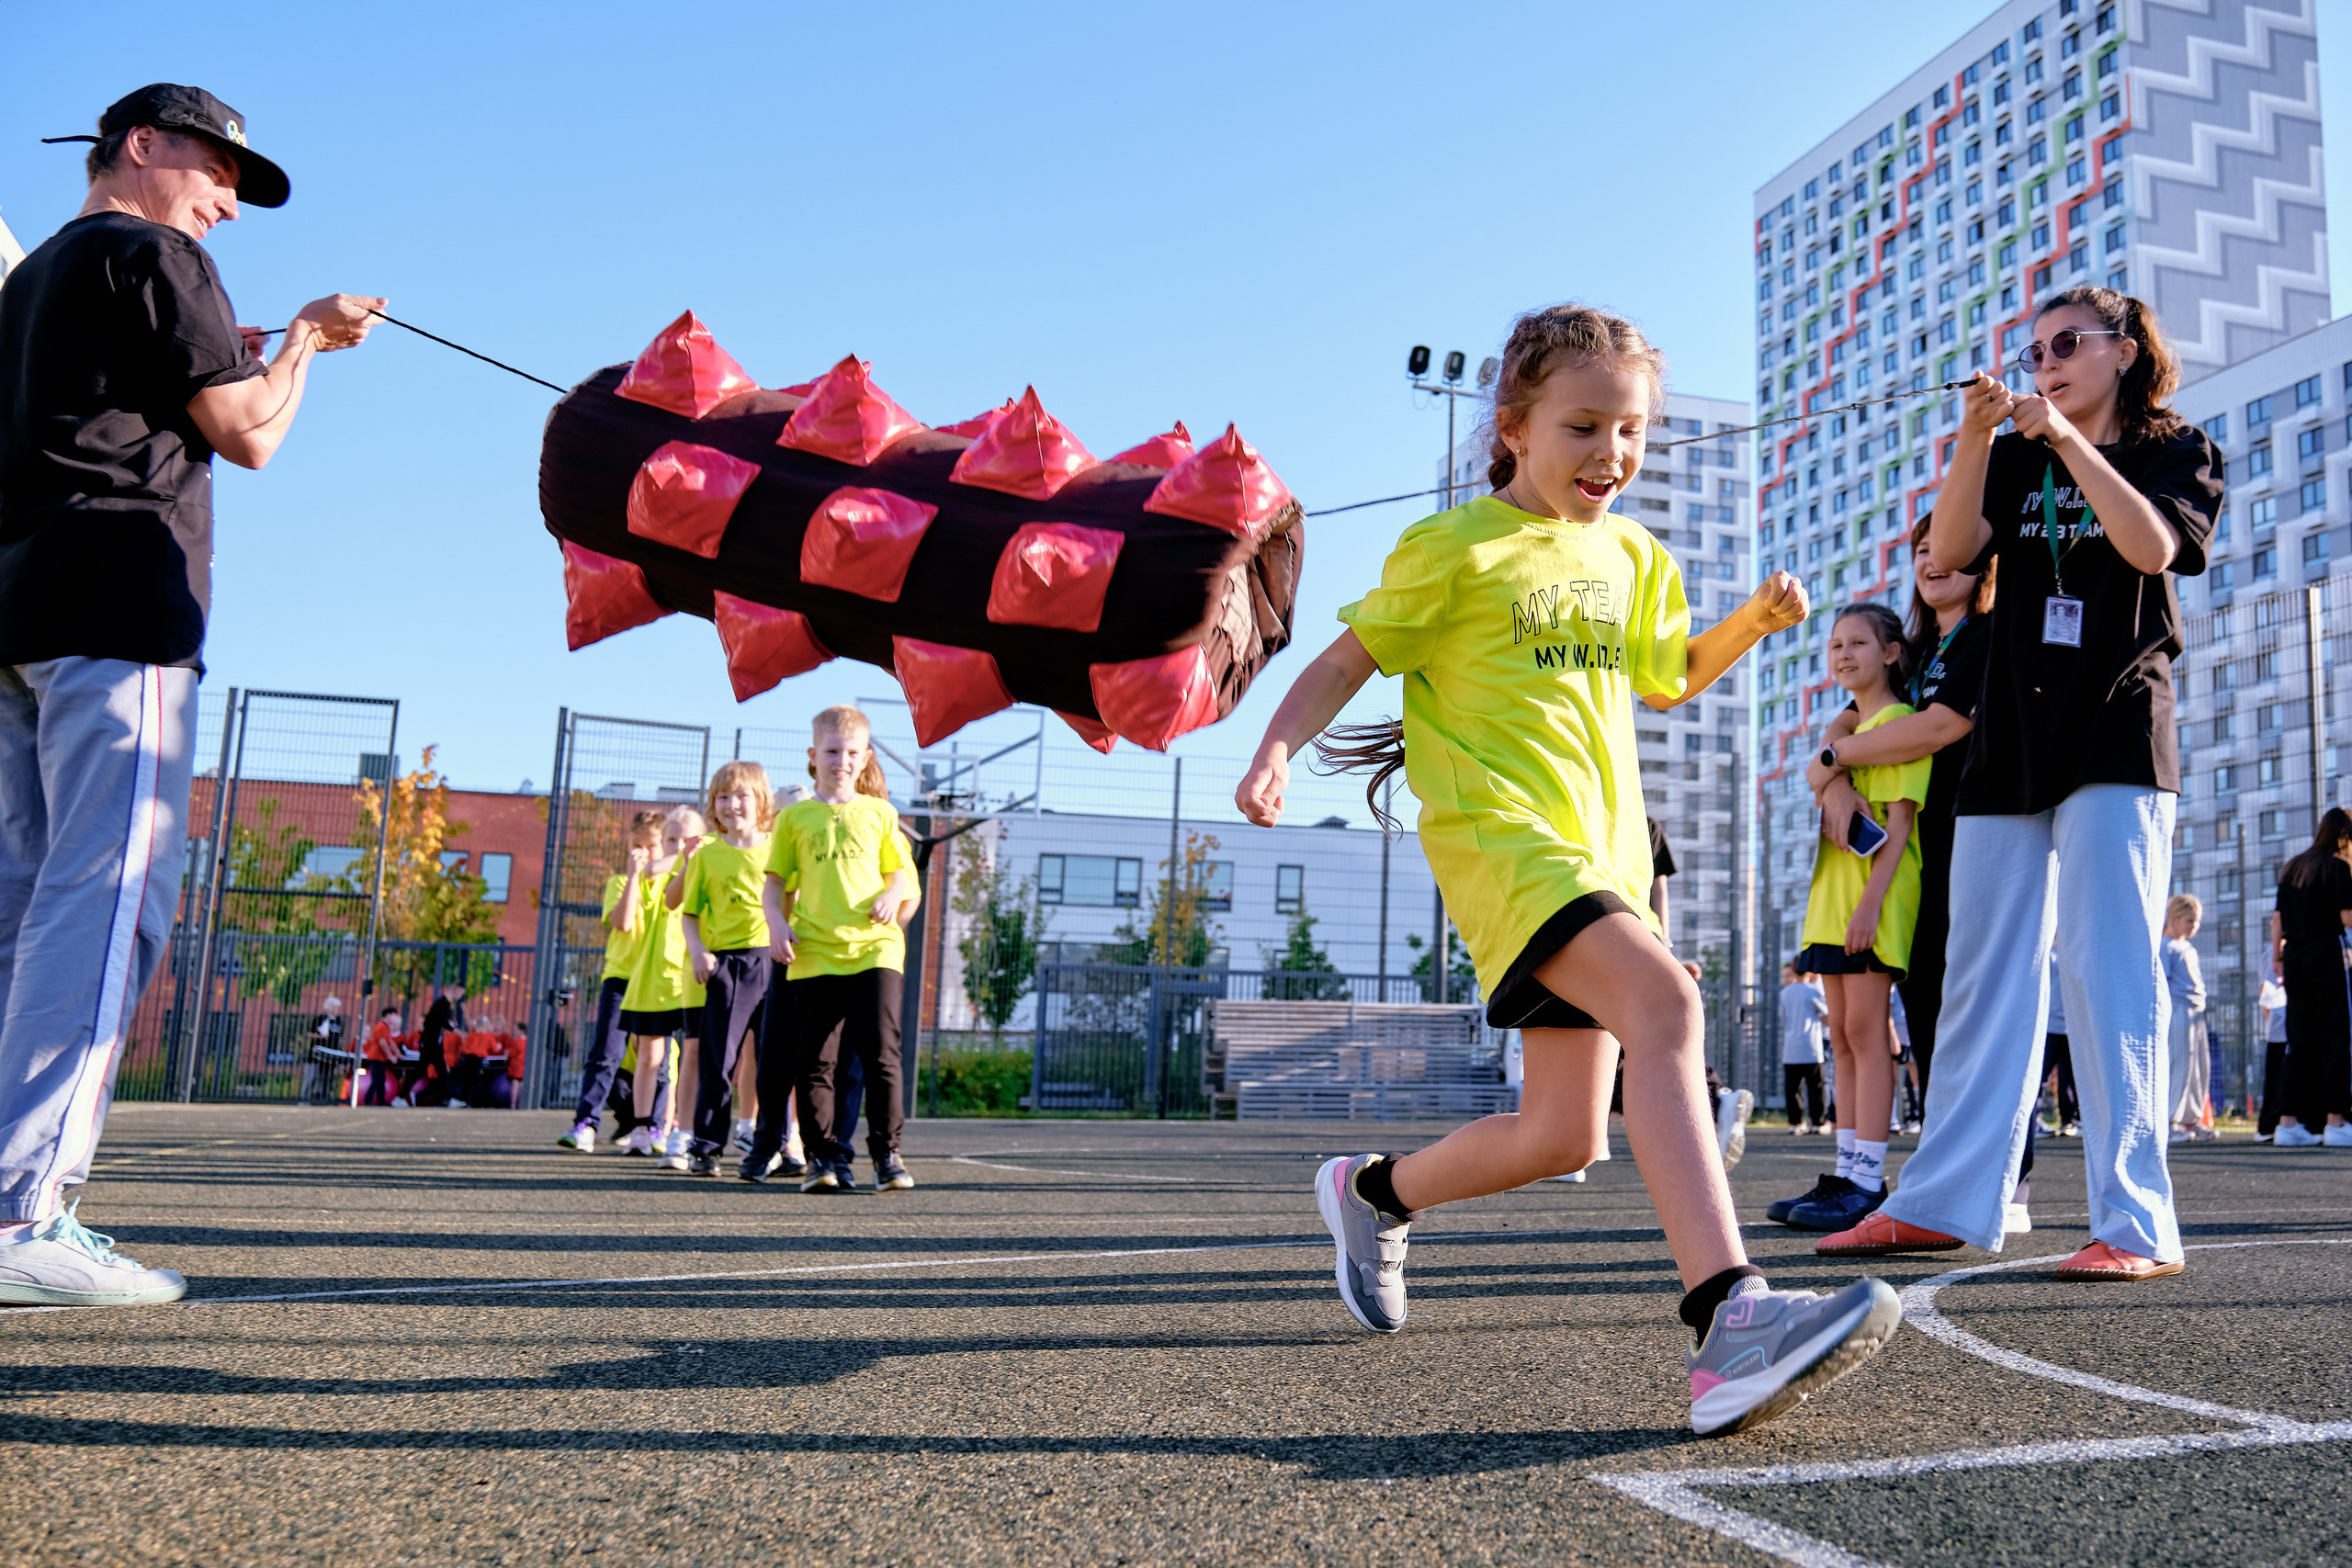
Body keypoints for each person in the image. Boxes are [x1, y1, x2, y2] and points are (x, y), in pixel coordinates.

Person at [1236, 303, 1898, 1438]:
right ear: (1513, 427)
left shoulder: (1636, 553)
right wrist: (1273, 751)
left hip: (1608, 859)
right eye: (1584, 427)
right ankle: (1730, 1323)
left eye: (1630, 431)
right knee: (1667, 1005)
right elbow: (1347, 659)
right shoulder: (1455, 549)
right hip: (1508, 849)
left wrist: (1751, 622)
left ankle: (1371, 1193)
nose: (1612, 454)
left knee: (1563, 1137)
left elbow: (1665, 679)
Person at [0, 85, 383, 1307]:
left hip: (19, 615)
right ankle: (25, 1207)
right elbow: (250, 431)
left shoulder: (38, 277)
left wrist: (226, 344)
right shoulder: (156, 253)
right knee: (111, 899)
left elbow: (135, 403)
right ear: (144, 145)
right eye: (217, 170)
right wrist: (308, 343)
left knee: (21, 913)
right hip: (120, 610)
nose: (225, 201)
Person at [1816, 286, 2218, 1279]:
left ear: (2124, 353)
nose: (2046, 361)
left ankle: (2134, 1226)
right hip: (2011, 737)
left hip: (2115, 732)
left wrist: (2072, 446)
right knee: (1979, 978)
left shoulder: (2174, 449)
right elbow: (1948, 554)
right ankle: (1946, 1201)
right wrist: (1973, 436)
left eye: (2068, 344)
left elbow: (2153, 548)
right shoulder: (2010, 456)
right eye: (2035, 348)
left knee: (2105, 967)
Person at [1807, 518, 1996, 1106]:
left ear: (1984, 560)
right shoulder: (1911, 652)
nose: (1935, 561)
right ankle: (1942, 1172)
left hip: (1973, 841)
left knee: (1970, 1011)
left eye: (1951, 549)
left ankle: (2008, 1182)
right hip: (1914, 857)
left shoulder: (1988, 635)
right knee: (1924, 1013)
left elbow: (1937, 729)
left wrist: (1833, 760)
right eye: (1923, 551)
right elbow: (1846, 722)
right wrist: (1834, 784)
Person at [1770, 604, 1927, 1235]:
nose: (1843, 653)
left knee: (1866, 1036)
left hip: (1870, 905)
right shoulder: (1848, 727)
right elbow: (1817, 773)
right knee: (1841, 1038)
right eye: (1835, 644)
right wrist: (1831, 775)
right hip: (1831, 906)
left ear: (1891, 652)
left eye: (1858, 642)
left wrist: (1869, 905)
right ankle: (1846, 1170)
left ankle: (1867, 1179)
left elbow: (1900, 822)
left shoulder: (1898, 722)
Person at [761, 707, 917, 1192]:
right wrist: (776, 925)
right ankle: (824, 1161)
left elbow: (903, 882)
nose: (841, 761)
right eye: (831, 751)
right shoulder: (794, 818)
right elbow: (776, 883)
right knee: (814, 1062)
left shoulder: (880, 813)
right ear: (813, 756)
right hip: (814, 952)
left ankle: (887, 1156)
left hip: (875, 951)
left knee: (881, 1055)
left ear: (865, 758)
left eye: (852, 753)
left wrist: (892, 897)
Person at [674, 761, 775, 1178]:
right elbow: (690, 913)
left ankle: (774, 1146)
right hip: (726, 965)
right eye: (723, 797)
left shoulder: (777, 847)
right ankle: (707, 1146)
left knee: (774, 1062)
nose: (733, 805)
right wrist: (698, 950)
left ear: (761, 801)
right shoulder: (707, 854)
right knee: (719, 1062)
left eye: (742, 796)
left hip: (772, 960)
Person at [560, 810, 664, 1152]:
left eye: (651, 846)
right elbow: (621, 922)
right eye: (636, 845)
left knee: (657, 1060)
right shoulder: (619, 883)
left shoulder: (670, 884)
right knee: (606, 1053)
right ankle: (586, 1123)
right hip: (620, 978)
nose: (643, 853)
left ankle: (654, 1127)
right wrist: (635, 877)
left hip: (656, 981)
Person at [622, 807, 705, 1166]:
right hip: (655, 979)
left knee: (690, 1060)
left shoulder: (706, 870)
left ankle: (675, 1130)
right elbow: (655, 869)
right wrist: (680, 857)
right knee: (650, 1058)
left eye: (686, 839)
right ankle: (640, 1128)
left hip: (689, 977)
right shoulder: (653, 874)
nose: (678, 846)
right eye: (671, 839)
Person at [2269, 807, 2352, 1148]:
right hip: (2326, 952)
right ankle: (2336, 1121)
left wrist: (2277, 957)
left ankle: (2287, 1123)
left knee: (2299, 1039)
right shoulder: (2338, 866)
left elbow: (2277, 919)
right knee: (2336, 1035)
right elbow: (2347, 918)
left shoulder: (2294, 866)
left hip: (2294, 956)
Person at [2161, 894, 2211, 1142]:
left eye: (2197, 921)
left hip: (2196, 1010)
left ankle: (2190, 1119)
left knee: (2199, 1067)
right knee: (2179, 1064)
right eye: (2189, 921)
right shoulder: (2165, 946)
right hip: (2178, 1009)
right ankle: (2169, 1120)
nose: (2194, 926)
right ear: (2174, 918)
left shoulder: (2187, 947)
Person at [1779, 963, 1827, 1133]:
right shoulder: (1813, 990)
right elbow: (1827, 1015)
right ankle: (1818, 1123)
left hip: (1791, 1047)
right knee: (1816, 1086)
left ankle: (1795, 1123)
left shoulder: (1785, 992)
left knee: (1792, 1088)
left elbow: (1783, 1019)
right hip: (1811, 1046)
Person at [2042, 946, 2081, 1136]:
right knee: (2040, 1075)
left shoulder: (2077, 952)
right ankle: (2033, 1120)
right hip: (2049, 1025)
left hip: (2073, 1027)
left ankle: (2070, 1120)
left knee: (2069, 1077)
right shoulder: (2048, 954)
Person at [2256, 962, 2289, 1138]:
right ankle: (2269, 1124)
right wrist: (2270, 1024)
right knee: (2277, 1078)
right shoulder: (2273, 954)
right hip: (2280, 1031)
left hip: (2288, 1029)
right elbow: (2266, 991)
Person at [357, 1007, 406, 1107]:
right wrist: (391, 1056)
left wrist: (397, 1054)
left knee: (381, 1080)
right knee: (376, 1080)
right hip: (375, 1058)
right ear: (388, 1016)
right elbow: (383, 1043)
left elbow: (390, 1042)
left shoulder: (386, 1027)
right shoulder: (382, 1026)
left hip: (379, 1058)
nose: (394, 1018)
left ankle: (381, 1101)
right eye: (393, 1015)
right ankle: (368, 1100)